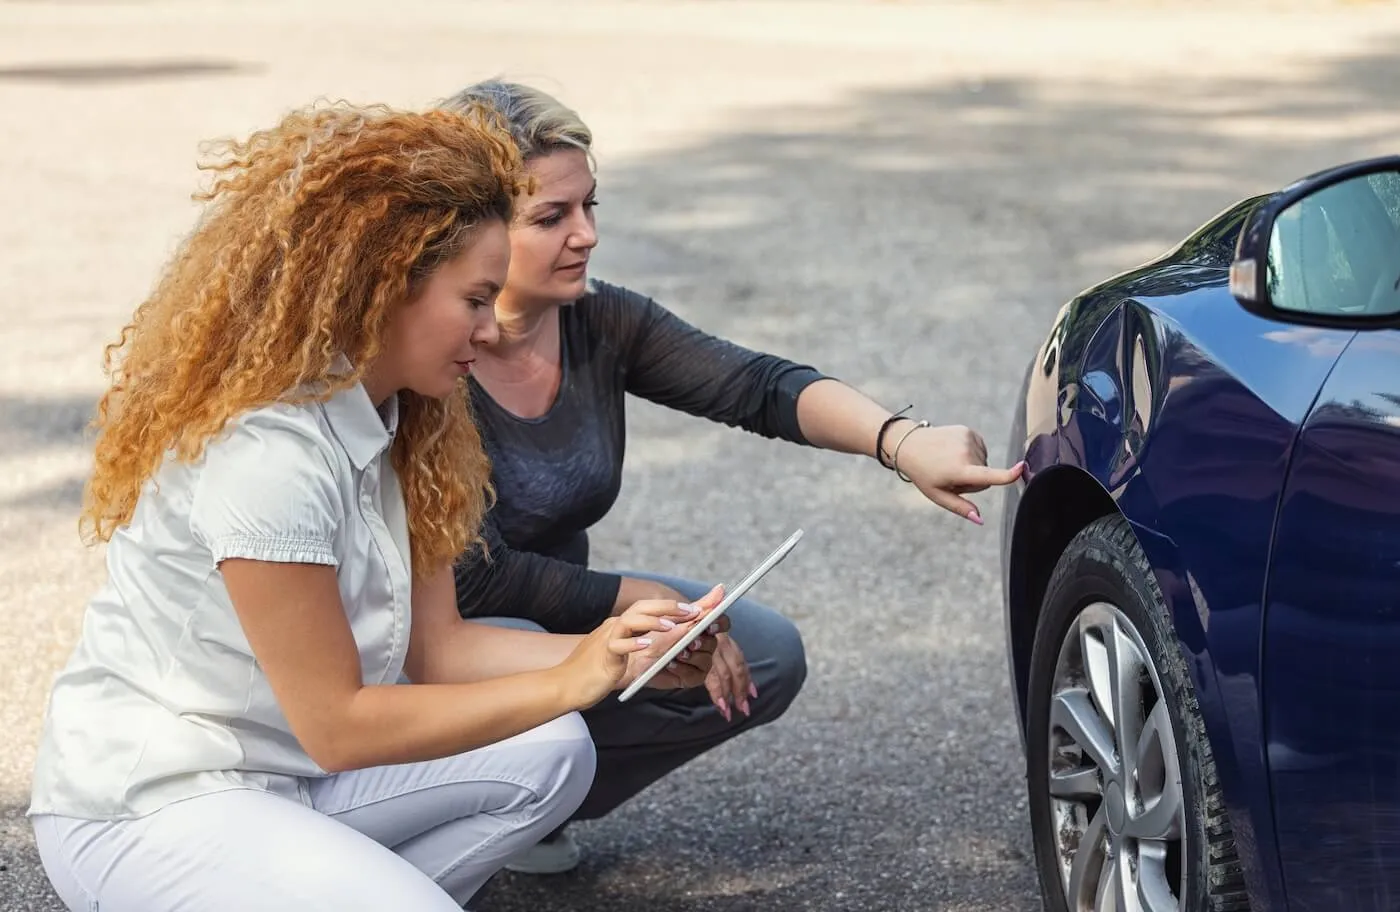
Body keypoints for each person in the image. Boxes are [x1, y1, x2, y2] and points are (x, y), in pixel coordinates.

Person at [25, 100, 724, 912]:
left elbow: (441, 653)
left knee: (553, 751)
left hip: (293, 778)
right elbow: (339, 726)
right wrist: (572, 676)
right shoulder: (267, 455)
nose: (492, 332)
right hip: (155, 800)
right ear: (386, 284)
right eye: (475, 299)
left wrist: (621, 653)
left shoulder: (407, 420)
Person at [438, 80, 1027, 874]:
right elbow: (476, 583)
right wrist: (647, 606)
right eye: (552, 217)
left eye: (590, 206)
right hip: (450, 640)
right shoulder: (431, 356)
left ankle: (531, 808)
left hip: (561, 618)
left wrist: (901, 441)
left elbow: (756, 385)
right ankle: (443, 825)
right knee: (558, 688)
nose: (587, 235)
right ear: (473, 230)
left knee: (765, 652)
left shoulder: (598, 319)